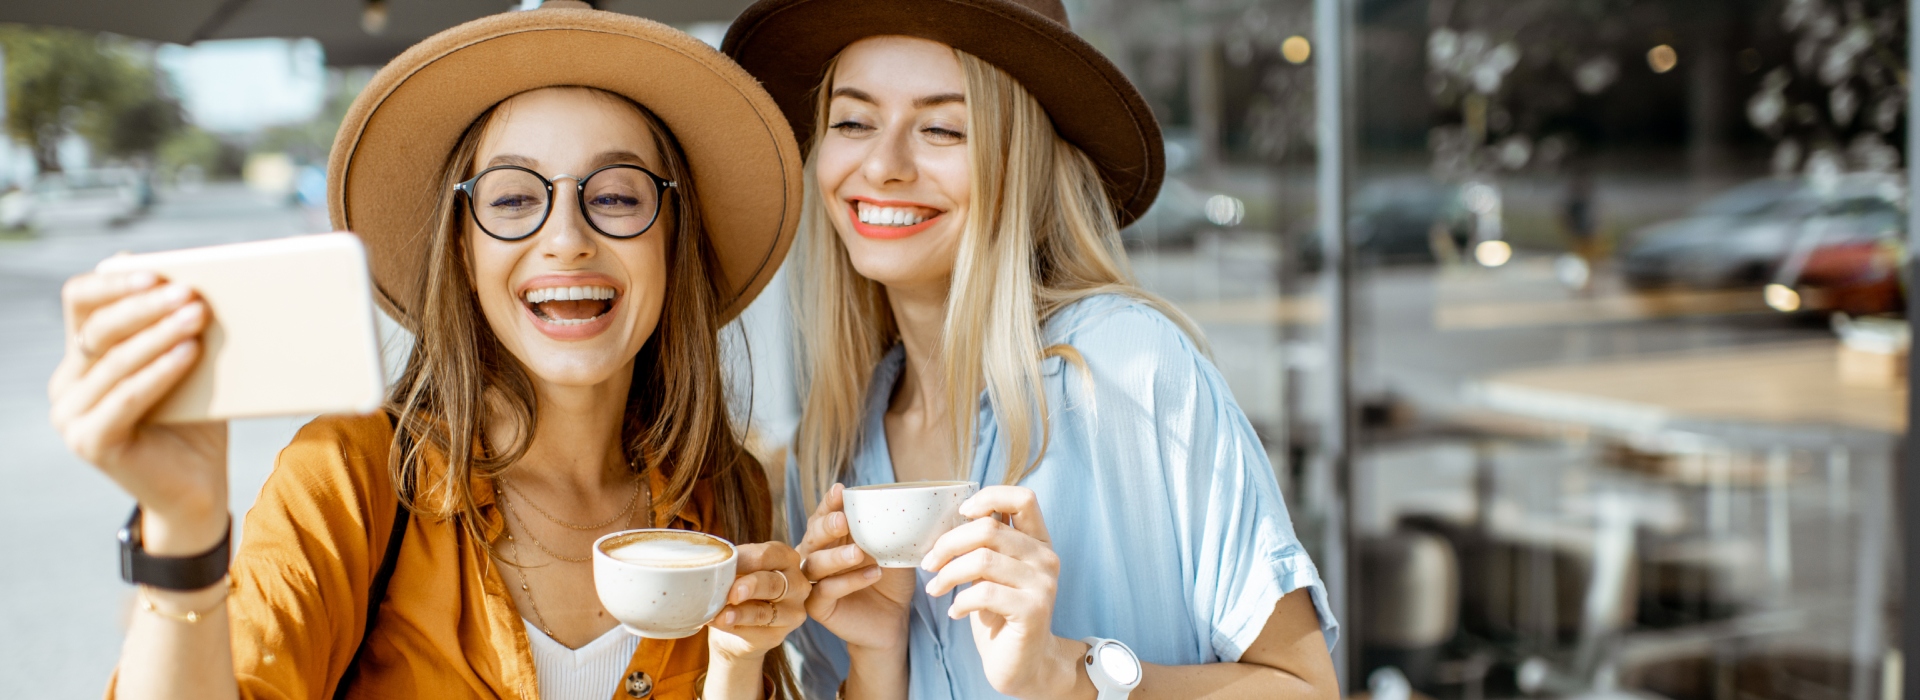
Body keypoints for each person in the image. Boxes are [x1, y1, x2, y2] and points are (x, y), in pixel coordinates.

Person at [47, 3, 811, 698]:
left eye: (615, 196)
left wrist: (743, 661)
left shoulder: (727, 491)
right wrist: (181, 533)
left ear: (672, 240)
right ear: (463, 245)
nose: (568, 240)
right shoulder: (351, 474)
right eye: (512, 199)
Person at [723, 1, 1340, 698]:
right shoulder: (832, 445)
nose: (883, 164)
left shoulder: (1127, 368)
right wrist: (877, 659)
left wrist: (1065, 673)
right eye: (854, 121)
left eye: (942, 128)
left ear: (1021, 161)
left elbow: (1306, 688)